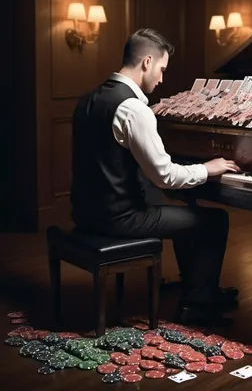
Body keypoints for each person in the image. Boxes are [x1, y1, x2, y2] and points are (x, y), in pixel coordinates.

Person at [70, 28, 241, 327]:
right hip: (119, 219)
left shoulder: (88, 99)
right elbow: (164, 176)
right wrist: (207, 168)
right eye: (161, 69)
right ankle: (199, 304)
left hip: (85, 213)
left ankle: (200, 289)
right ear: (147, 62)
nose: (162, 79)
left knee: (184, 216)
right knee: (214, 221)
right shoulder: (134, 109)